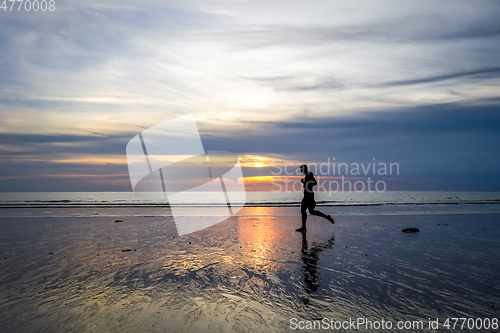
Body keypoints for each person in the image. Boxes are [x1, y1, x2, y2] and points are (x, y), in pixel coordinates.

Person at [296, 164, 334, 232]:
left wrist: (304, 182)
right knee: (311, 211)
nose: (301, 171)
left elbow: (314, 183)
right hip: (307, 195)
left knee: (304, 210)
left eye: (301, 170)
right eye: (300, 170)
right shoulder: (307, 176)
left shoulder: (309, 174)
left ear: (305, 169)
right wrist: (304, 182)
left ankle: (304, 227)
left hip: (309, 195)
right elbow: (308, 184)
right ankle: (326, 217)